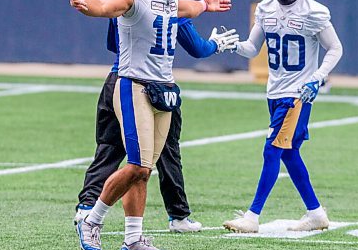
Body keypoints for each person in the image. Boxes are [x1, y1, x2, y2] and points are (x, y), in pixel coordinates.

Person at [70, 0, 231, 250]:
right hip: (134, 86)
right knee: (137, 165)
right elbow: (105, 7)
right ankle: (93, 220)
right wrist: (84, 3)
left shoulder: (172, 1)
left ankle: (133, 240)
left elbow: (192, 8)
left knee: (143, 172)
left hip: (162, 91)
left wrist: (206, 5)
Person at [74, 17, 238, 234]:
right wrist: (215, 44)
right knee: (164, 153)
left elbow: (113, 44)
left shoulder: (127, 0)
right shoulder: (172, 7)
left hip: (118, 80)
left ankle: (86, 207)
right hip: (155, 87)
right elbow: (198, 48)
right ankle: (178, 215)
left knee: (110, 148)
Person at [220, 0, 343, 233]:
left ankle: (252, 216)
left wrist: (317, 78)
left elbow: (335, 48)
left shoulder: (313, 12)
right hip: (274, 91)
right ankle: (316, 213)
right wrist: (229, 45)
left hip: (297, 93)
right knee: (288, 153)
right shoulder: (265, 8)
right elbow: (252, 48)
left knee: (272, 149)